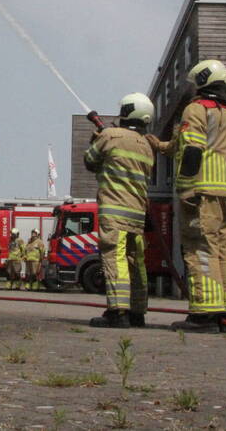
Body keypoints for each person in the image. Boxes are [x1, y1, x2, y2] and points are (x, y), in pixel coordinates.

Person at [147, 59, 226, 334]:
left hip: (201, 191)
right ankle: (225, 310)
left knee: (200, 248)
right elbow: (181, 145)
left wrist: (186, 189)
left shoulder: (196, 109)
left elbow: (191, 150)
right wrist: (160, 145)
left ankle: (203, 313)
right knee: (224, 250)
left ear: (201, 81)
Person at [84, 93, 155, 328]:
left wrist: (96, 140)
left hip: (115, 210)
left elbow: (90, 161)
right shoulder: (146, 145)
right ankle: (137, 312)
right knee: (136, 262)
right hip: (137, 213)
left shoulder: (109, 135)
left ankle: (118, 312)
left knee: (114, 258)